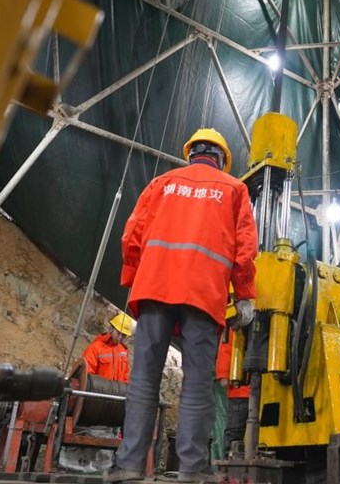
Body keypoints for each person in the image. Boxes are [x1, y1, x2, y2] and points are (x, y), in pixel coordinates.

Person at [105, 128, 258, 484]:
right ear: (221, 159)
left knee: (143, 378)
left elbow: (132, 236)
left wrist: (134, 279)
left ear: (191, 153)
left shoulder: (161, 184)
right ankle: (192, 469)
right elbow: (245, 247)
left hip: (154, 288)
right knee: (196, 383)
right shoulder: (234, 190)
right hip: (203, 294)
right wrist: (245, 294)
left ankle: (128, 465)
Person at [215, 323, 249, 458]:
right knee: (235, 430)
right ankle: (230, 462)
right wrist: (224, 372)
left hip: (254, 389)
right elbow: (227, 343)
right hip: (240, 389)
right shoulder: (239, 316)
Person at [82, 312, 135, 383]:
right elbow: (86, 375)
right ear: (111, 329)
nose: (120, 337)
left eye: (124, 335)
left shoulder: (123, 351)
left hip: (116, 393)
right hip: (98, 392)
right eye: (119, 333)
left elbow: (125, 376)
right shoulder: (95, 348)